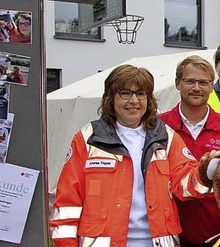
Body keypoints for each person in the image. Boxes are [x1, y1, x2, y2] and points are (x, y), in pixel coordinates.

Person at [49, 64, 205, 246]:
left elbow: (186, 184)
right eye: (125, 93)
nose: (134, 101)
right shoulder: (88, 139)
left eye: (140, 93)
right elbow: (67, 205)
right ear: (110, 98)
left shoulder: (165, 137)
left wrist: (207, 171)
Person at [159, 55, 220, 247]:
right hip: (168, 235)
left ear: (212, 86)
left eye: (203, 82)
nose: (197, 88)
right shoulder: (158, 127)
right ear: (177, 83)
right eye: (190, 81)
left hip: (217, 235)